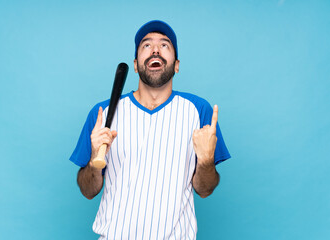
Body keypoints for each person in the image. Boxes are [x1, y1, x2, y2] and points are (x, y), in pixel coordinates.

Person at [70, 20, 231, 240]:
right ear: (136, 65)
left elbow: (205, 190)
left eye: (165, 45)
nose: (155, 49)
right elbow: (88, 191)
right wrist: (94, 163)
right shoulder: (103, 115)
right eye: (146, 45)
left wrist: (205, 161)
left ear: (176, 64)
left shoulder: (199, 111)